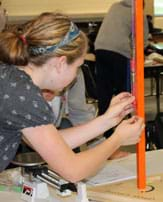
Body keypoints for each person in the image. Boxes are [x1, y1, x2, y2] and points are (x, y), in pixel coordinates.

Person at [0, 12, 144, 182]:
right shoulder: (25, 95)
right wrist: (118, 138)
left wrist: (107, 121)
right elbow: (73, 170)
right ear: (60, 63)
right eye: (77, 67)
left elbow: (50, 144)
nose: (76, 75)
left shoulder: (12, 78)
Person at [94, 0, 149, 158]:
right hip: (119, 52)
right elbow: (142, 39)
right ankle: (129, 129)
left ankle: (105, 131)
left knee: (104, 91)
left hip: (101, 48)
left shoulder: (115, 6)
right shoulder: (138, 10)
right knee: (124, 92)